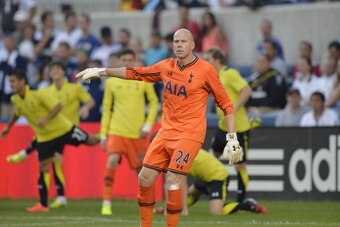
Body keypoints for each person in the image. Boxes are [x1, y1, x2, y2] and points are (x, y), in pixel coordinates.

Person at [76, 29, 242, 227]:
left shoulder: (205, 70)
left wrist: (232, 137)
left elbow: (226, 103)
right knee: (144, 178)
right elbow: (136, 72)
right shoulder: (166, 66)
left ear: (192, 46)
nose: (179, 45)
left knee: (173, 179)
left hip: (190, 134)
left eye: (183, 41)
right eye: (175, 41)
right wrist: (101, 71)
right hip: (166, 132)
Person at [0, 70, 98, 212]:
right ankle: (43, 204)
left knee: (91, 140)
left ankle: (106, 139)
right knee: (43, 168)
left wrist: (46, 119)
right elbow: (17, 112)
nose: (11, 84)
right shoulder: (16, 99)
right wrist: (9, 127)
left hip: (63, 129)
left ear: (22, 81)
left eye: (13, 81)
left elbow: (58, 106)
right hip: (45, 137)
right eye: (10, 82)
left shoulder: (38, 94)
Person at [100, 49, 158, 215]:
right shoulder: (111, 82)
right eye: (123, 59)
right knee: (112, 161)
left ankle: (147, 203)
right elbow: (106, 109)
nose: (126, 61)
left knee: (141, 172)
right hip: (117, 131)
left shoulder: (142, 80)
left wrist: (148, 126)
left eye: (129, 59)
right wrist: (104, 134)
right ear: (119, 61)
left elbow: (154, 103)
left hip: (136, 134)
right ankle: (106, 203)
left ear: (134, 61)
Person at [204, 48, 252, 203]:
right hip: (222, 127)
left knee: (239, 166)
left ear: (218, 60)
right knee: (211, 159)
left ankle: (240, 201)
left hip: (238, 128)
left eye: (209, 59)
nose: (206, 62)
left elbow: (247, 90)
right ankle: (200, 190)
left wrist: (234, 108)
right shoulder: (213, 76)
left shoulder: (230, 73)